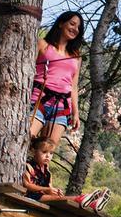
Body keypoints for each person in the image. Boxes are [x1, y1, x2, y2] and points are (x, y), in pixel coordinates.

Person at [30, 11, 84, 148]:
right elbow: (28, 70)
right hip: (39, 99)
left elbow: (73, 86)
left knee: (46, 152)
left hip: (62, 106)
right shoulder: (43, 45)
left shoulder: (76, 56)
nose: (75, 29)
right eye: (72, 24)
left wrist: (75, 113)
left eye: (78, 27)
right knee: (24, 140)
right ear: (61, 23)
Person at [23, 138, 111, 212]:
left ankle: (92, 204)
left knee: (60, 198)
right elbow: (27, 185)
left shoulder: (47, 173)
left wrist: (54, 191)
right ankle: (81, 198)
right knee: (60, 200)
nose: (48, 156)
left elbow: (49, 189)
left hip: (42, 197)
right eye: (44, 152)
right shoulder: (29, 166)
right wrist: (47, 189)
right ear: (34, 151)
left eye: (51, 153)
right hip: (30, 196)